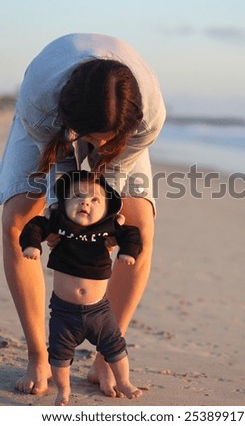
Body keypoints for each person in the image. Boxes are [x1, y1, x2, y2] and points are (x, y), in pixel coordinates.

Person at [0, 33, 166, 397]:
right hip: (50, 126)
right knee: (18, 223)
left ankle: (106, 358)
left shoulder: (147, 118)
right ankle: (37, 355)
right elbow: (62, 181)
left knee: (138, 228)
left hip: (128, 130)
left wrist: (104, 226)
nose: (99, 147)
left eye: (107, 140)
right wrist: (62, 222)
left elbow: (109, 188)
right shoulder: (40, 106)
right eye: (94, 138)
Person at [19, 170, 143, 405]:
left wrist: (128, 251)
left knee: (116, 348)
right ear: (64, 204)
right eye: (77, 196)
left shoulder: (109, 226)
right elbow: (34, 227)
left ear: (107, 209)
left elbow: (133, 234)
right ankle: (63, 390)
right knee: (59, 356)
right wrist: (32, 245)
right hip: (64, 313)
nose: (85, 202)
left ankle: (124, 381)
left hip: (100, 312)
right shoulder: (58, 221)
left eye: (95, 199)